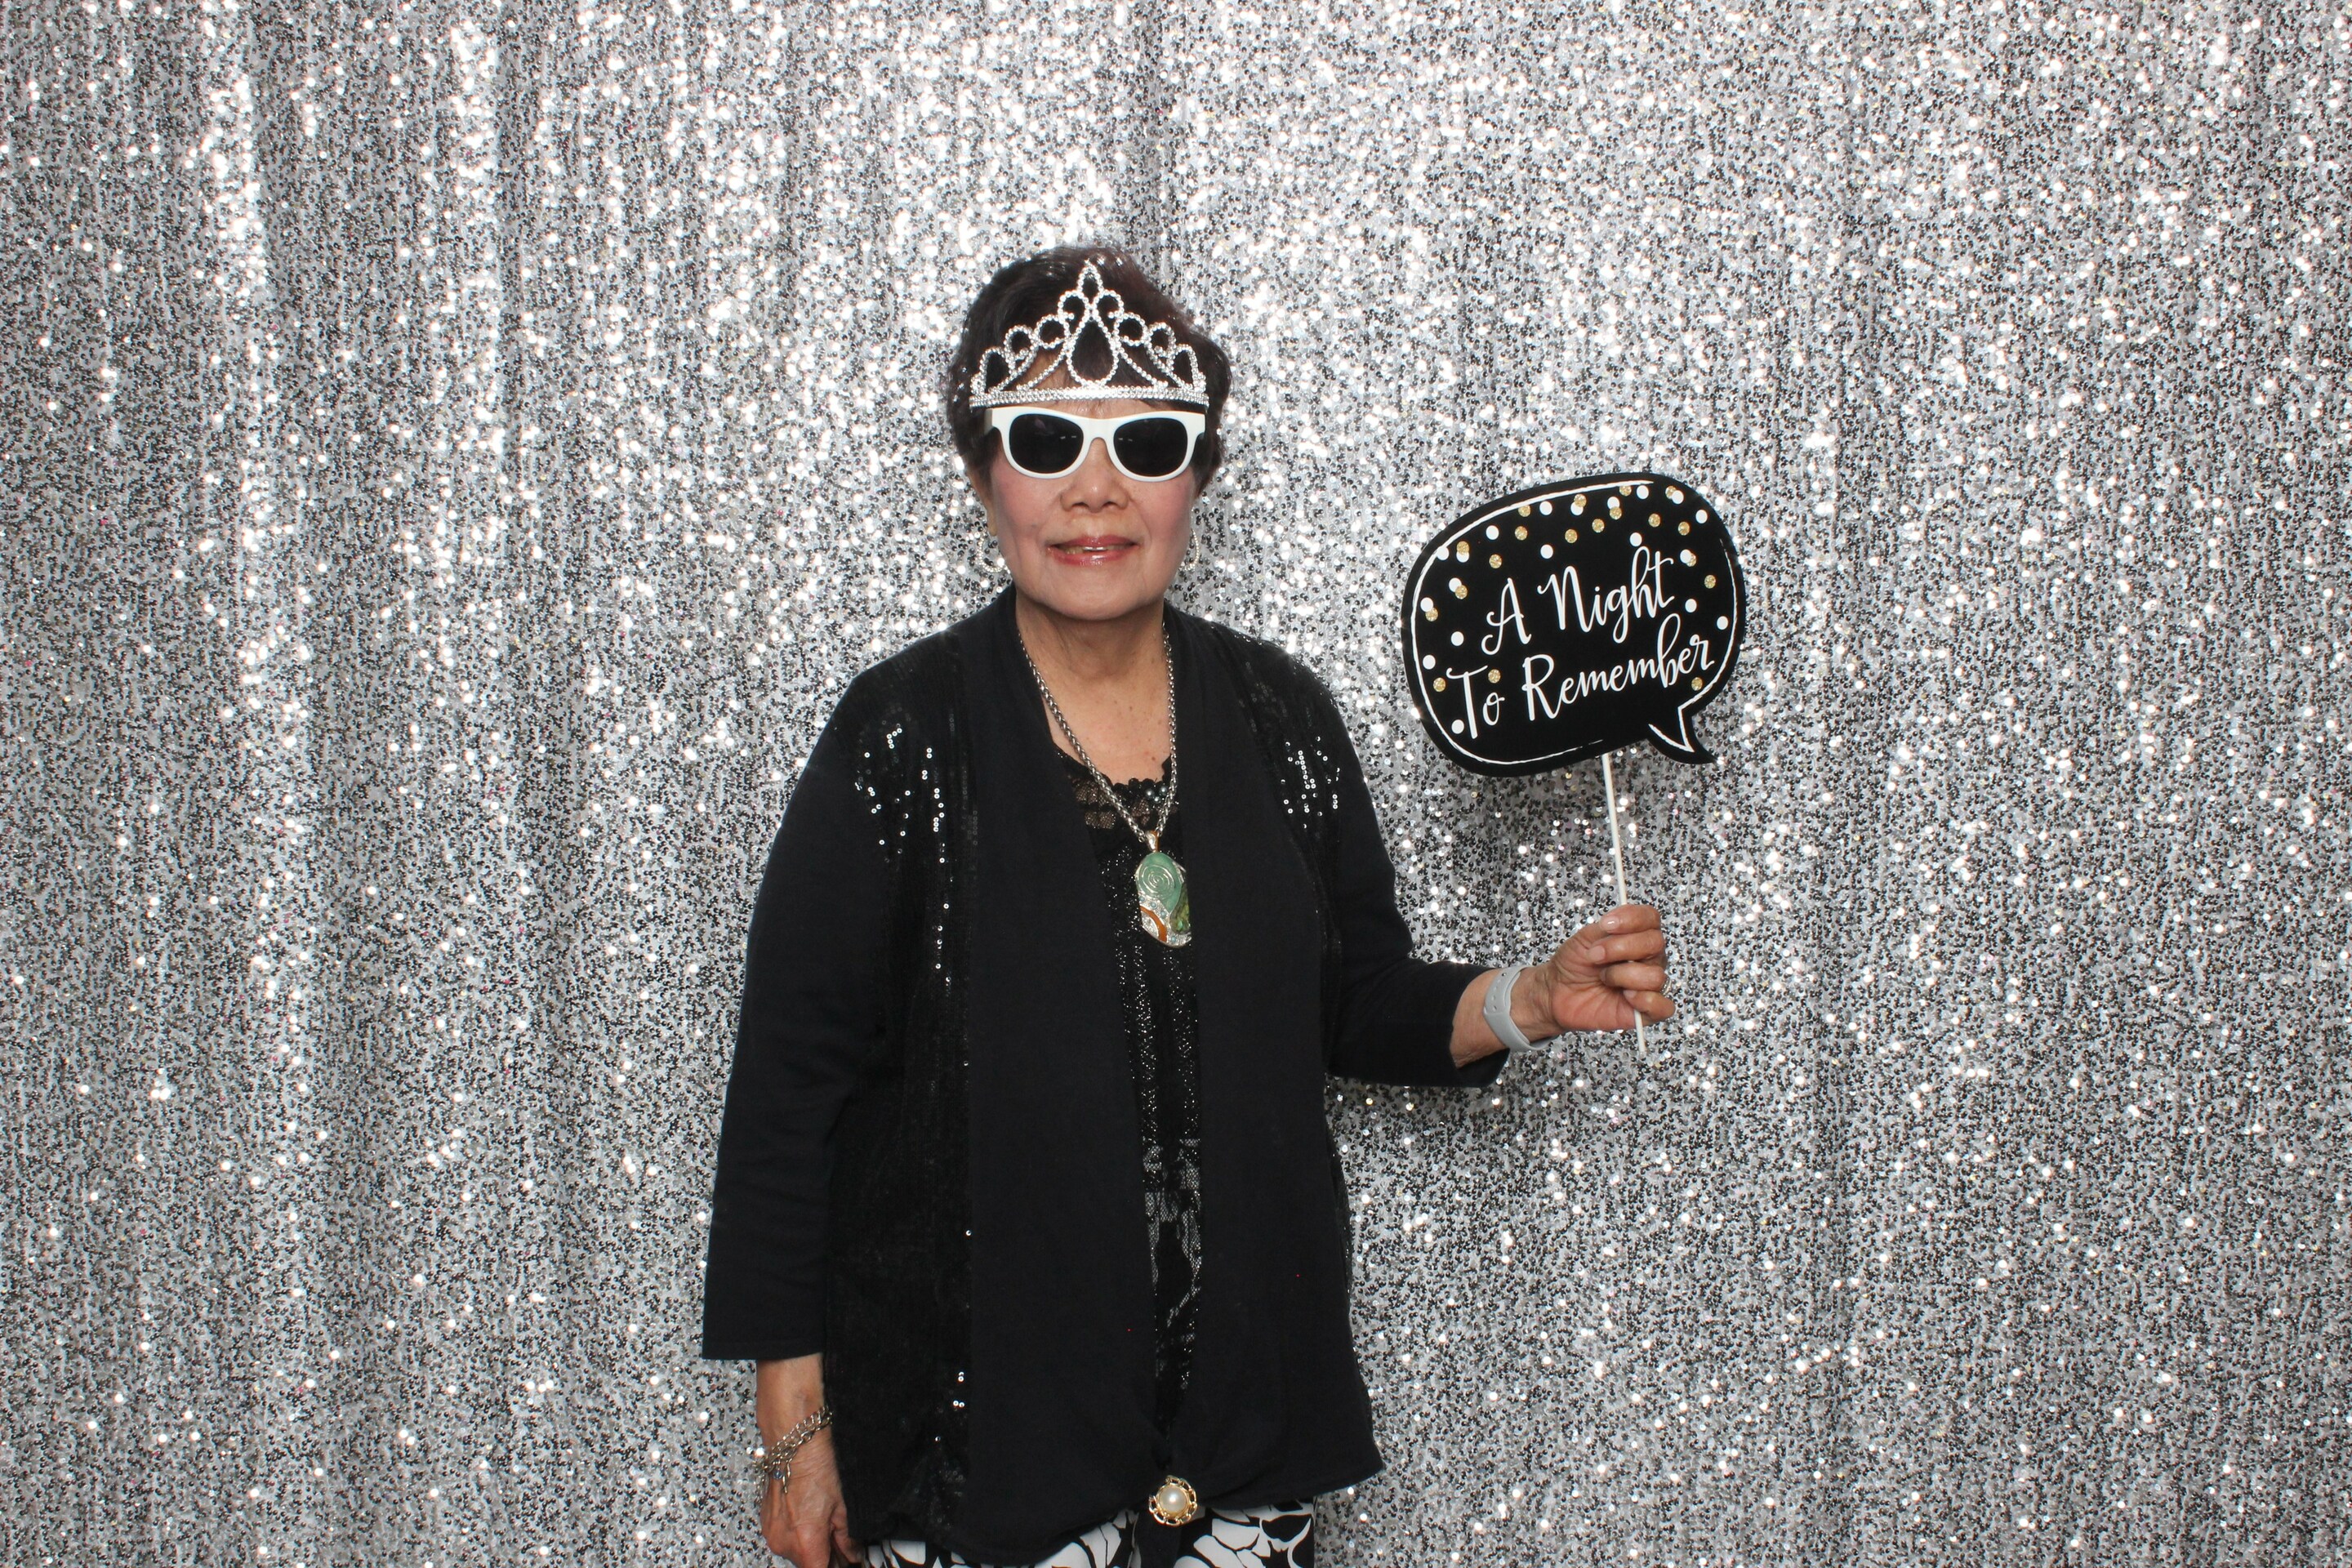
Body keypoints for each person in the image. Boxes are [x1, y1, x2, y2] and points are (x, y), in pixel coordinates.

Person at [699, 247, 1676, 1568]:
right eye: (1046, 439)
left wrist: (1531, 999)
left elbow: (1351, 1001)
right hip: (977, 1459)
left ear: (1197, 477)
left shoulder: (1282, 719)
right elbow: (789, 1089)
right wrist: (796, 1421)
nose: (1094, 489)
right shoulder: (902, 739)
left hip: (1238, 1460)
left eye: (1145, 443)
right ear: (984, 475)